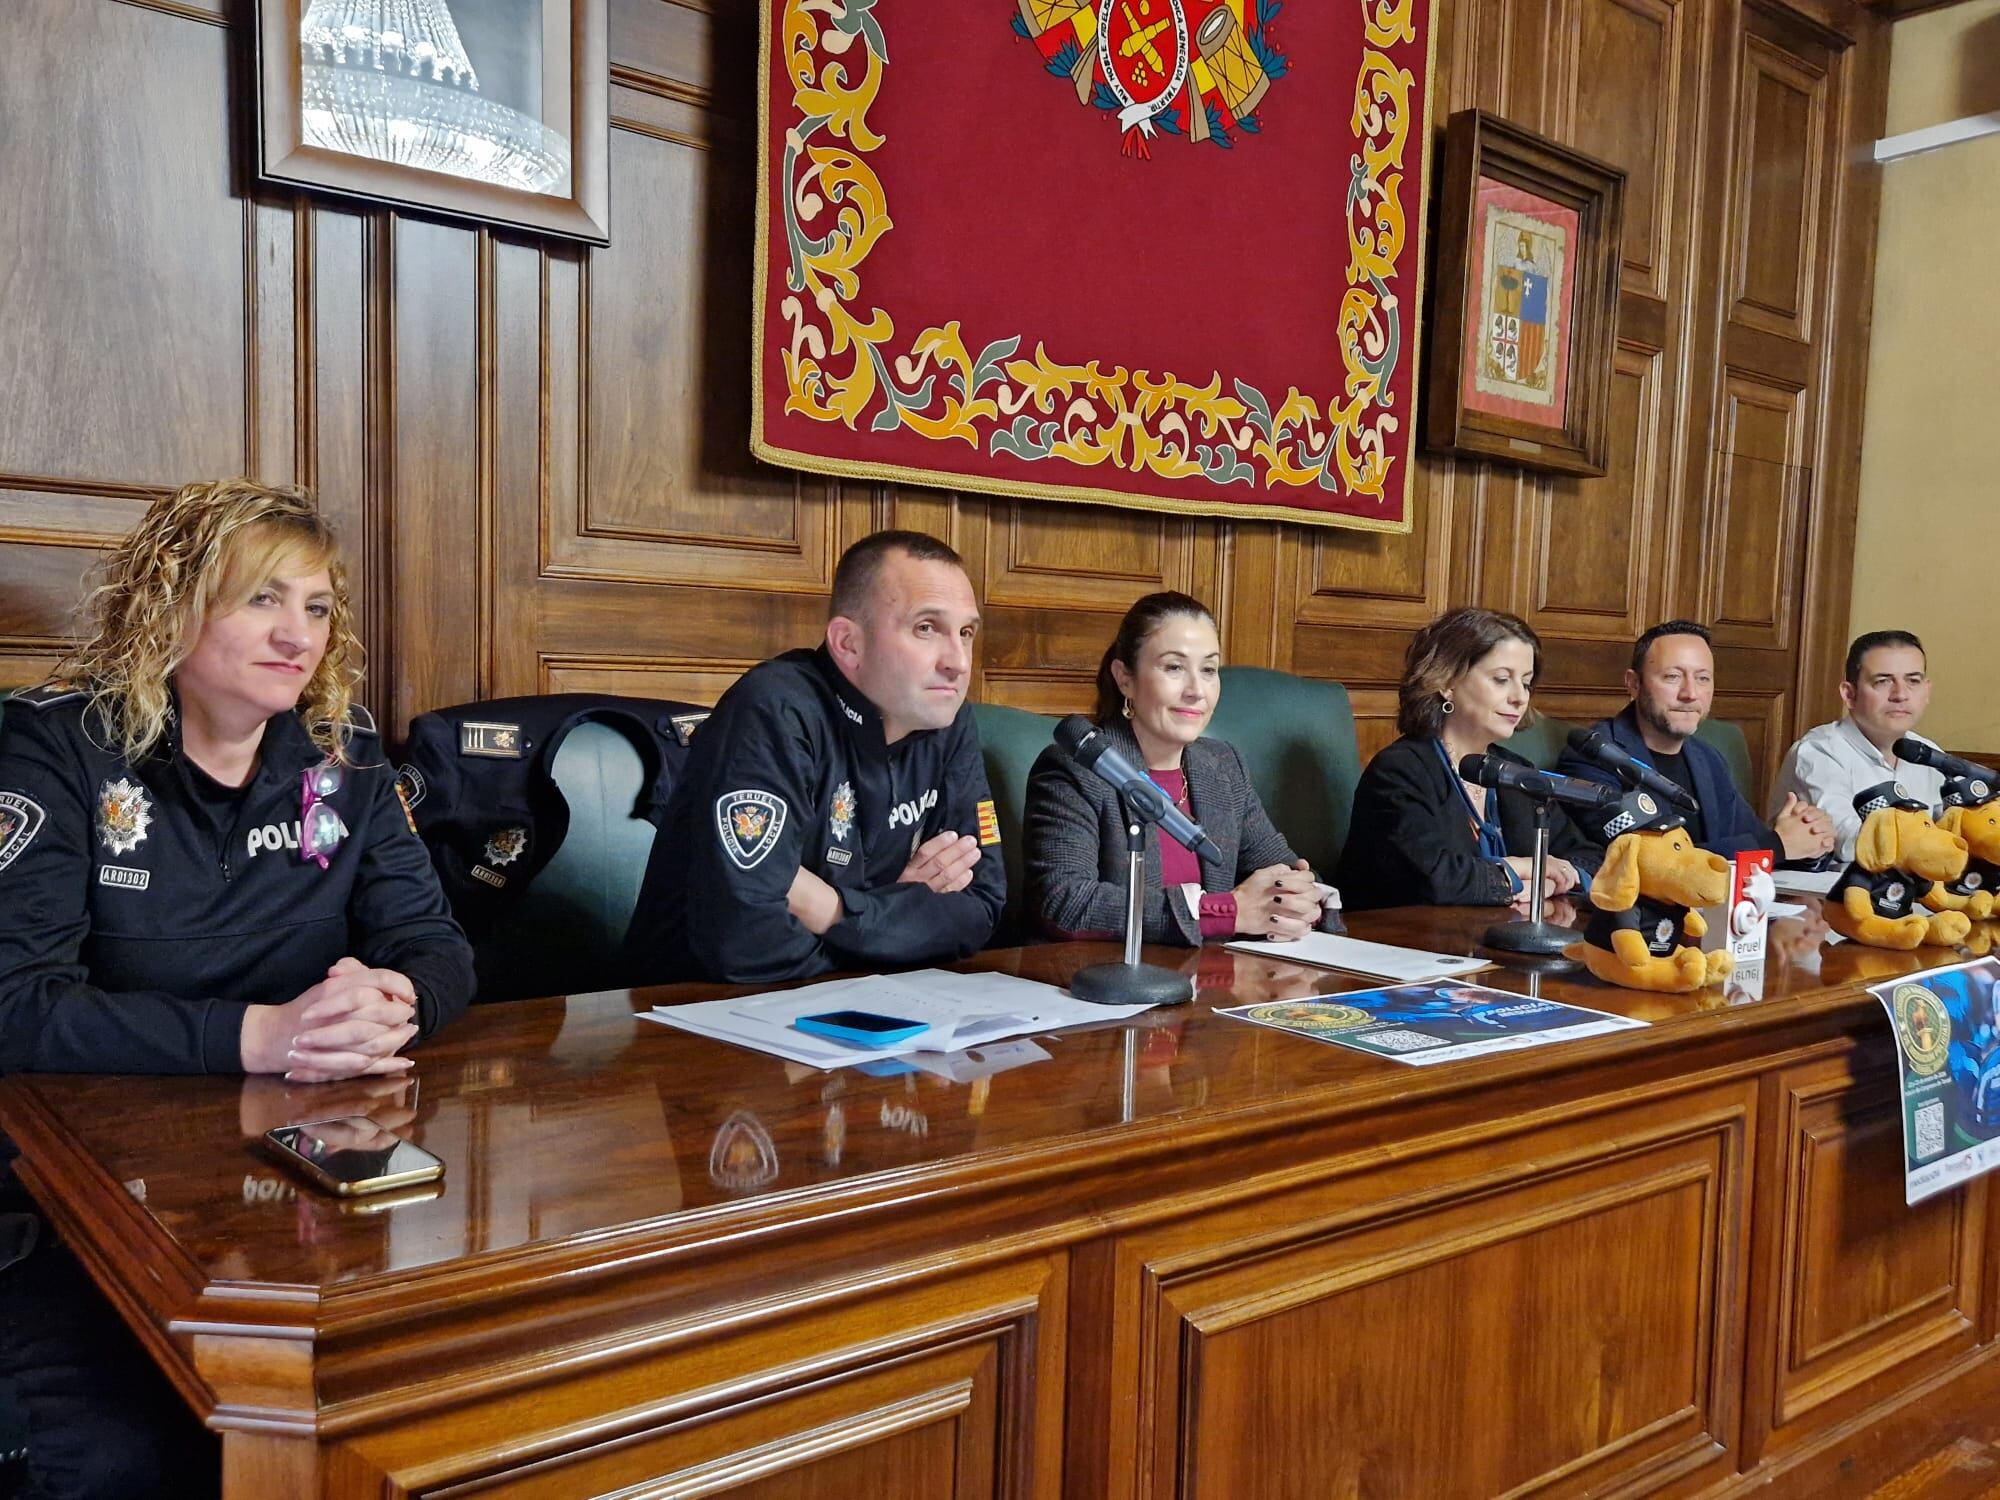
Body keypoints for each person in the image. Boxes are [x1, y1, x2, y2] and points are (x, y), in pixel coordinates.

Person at [0, 478, 474, 1499]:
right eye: (262, 598)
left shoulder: (341, 755)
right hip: (69, 1198)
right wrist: (261, 1035)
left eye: (316, 606)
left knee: (422, 1401)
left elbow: (437, 945)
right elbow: (15, 1004)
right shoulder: (57, 747)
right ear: (171, 606)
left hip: (289, 1177)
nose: (297, 634)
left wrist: (391, 999)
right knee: (126, 1452)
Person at [623, 530, 1004, 984]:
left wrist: (833, 910)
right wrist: (894, 920)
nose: (959, 662)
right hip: (690, 1006)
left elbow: (981, 908)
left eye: (966, 632)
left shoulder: (948, 718)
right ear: (848, 643)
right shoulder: (775, 709)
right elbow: (746, 943)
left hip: (857, 1001)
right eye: (926, 628)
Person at [1023, 593, 1323, 944]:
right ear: (1125, 678)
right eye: (1174, 667)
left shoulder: (1223, 766)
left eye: (1208, 670)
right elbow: (1065, 904)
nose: (1196, 691)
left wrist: (1301, 900)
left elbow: (1287, 872)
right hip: (1103, 974)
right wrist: (1226, 912)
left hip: (1213, 974)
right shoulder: (1076, 769)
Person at [1338, 607, 1602, 910]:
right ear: (1446, 683)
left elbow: (1592, 857)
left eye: (1526, 682)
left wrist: (1557, 878)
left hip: (1494, 934)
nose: (1520, 697)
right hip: (1400, 935)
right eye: (1501, 679)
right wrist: (1521, 869)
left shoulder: (1516, 773)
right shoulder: (1400, 771)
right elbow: (1431, 879)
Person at [1557, 619, 1834, 863]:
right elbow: (1650, 861)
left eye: (1703, 678)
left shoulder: (1708, 758)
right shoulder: (1593, 756)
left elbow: (1755, 836)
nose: (1690, 693)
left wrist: (1808, 840)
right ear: (1634, 684)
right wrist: (1776, 845)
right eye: (1673, 677)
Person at [1768, 630, 1945, 863]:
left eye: (1913, 681)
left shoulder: (1928, 753)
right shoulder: (1819, 751)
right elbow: (1849, 844)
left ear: (1927, 691)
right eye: (1883, 681)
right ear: (1849, 694)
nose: (1900, 694)